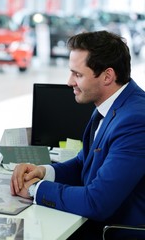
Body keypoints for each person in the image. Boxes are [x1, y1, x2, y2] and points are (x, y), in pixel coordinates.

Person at [10, 31, 145, 239]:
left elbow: (96, 202)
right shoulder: (110, 105)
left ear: (107, 76)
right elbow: (84, 163)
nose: (69, 82)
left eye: (78, 74)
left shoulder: (136, 121)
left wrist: (35, 190)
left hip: (112, 232)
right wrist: (43, 172)